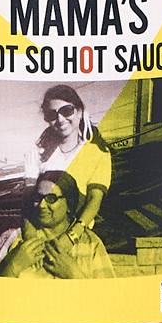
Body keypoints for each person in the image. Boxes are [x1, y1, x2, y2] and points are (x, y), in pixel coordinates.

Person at [27, 85, 111, 245]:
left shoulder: (99, 152)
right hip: (40, 234)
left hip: (77, 237)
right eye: (52, 115)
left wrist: (72, 236)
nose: (60, 119)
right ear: (47, 119)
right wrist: (30, 237)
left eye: (67, 111)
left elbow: (94, 199)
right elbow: (28, 200)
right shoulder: (37, 154)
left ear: (79, 112)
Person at [0, 171, 115, 279]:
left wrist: (74, 275)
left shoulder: (91, 244)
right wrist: (13, 267)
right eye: (38, 198)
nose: (42, 205)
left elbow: (107, 295)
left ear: (69, 204)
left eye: (51, 198)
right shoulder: (17, 238)